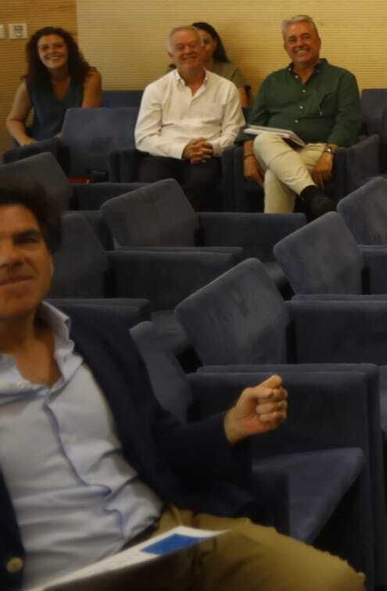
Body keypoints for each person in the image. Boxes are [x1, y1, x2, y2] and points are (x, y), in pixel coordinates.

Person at [0, 175, 364, 590]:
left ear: (49, 255)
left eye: (26, 240)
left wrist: (229, 426)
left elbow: (158, 441)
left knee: (332, 581)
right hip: (69, 576)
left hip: (166, 538)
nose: (10, 257)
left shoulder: (97, 336)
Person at [241, 17, 361, 219]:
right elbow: (254, 125)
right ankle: (312, 194)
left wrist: (330, 151)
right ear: (286, 47)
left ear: (318, 41)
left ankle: (277, 240)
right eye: (293, 40)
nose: (299, 44)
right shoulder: (272, 81)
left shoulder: (342, 78)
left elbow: (348, 121)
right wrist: (248, 156)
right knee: (263, 139)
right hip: (272, 148)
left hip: (315, 150)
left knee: (275, 176)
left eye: (306, 37)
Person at [133, 26, 244, 210]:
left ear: (203, 49)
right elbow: (143, 138)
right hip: (164, 155)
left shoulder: (227, 88)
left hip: (207, 156)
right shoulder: (156, 89)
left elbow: (234, 131)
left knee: (202, 181)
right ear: (171, 54)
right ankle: (167, 232)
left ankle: (185, 232)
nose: (188, 51)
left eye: (193, 45)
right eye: (180, 47)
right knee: (152, 181)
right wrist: (182, 150)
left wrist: (210, 148)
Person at [5, 28, 102, 149]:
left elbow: (84, 120)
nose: (52, 51)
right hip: (39, 147)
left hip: (77, 145)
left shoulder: (90, 77)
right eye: (44, 48)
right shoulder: (30, 83)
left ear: (69, 50)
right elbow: (14, 120)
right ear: (37, 55)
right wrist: (26, 141)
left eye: (58, 46)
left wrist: (50, 144)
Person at [190, 22, 251, 110]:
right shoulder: (173, 73)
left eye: (205, 42)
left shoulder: (231, 72)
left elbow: (241, 111)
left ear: (215, 44)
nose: (201, 47)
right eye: (195, 44)